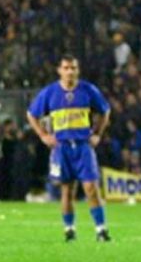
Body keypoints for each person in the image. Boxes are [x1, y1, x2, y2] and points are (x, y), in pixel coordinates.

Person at [26, 54, 112, 242]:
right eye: (66, 68)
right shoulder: (50, 92)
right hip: (62, 147)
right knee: (67, 190)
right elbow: (31, 114)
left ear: (77, 70)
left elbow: (105, 111)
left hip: (83, 146)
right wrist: (43, 135)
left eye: (73, 68)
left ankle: (101, 229)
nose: (70, 72)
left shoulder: (88, 90)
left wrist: (97, 133)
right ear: (59, 71)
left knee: (91, 187)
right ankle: (69, 229)